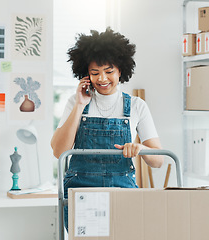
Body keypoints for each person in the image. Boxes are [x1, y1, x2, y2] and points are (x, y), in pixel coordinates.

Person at [50, 27, 163, 230]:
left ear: (121, 69)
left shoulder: (137, 106)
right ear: (86, 73)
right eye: (95, 73)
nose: (102, 79)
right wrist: (79, 105)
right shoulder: (75, 103)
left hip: (122, 192)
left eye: (109, 71)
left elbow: (158, 161)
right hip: (81, 194)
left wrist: (140, 149)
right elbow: (59, 151)